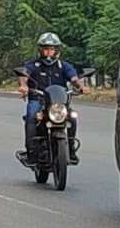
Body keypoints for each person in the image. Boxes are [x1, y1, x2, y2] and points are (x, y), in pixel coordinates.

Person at [17, 33, 88, 165]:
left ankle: (71, 149)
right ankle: (31, 153)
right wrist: (24, 86)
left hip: (59, 103)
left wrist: (81, 86)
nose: (49, 52)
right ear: (40, 50)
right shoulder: (33, 65)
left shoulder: (64, 66)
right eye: (46, 49)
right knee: (32, 115)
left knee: (72, 117)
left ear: (57, 51)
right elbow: (24, 76)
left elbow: (74, 78)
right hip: (38, 100)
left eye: (52, 49)